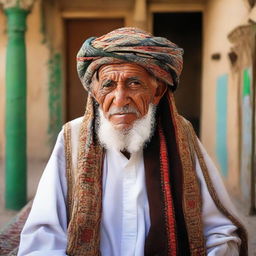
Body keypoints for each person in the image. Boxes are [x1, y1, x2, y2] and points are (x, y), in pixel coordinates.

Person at [18, 27, 247, 256]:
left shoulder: (181, 135)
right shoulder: (72, 138)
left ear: (157, 91)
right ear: (95, 93)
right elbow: (43, 236)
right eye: (108, 85)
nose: (120, 98)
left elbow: (220, 231)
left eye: (134, 83)